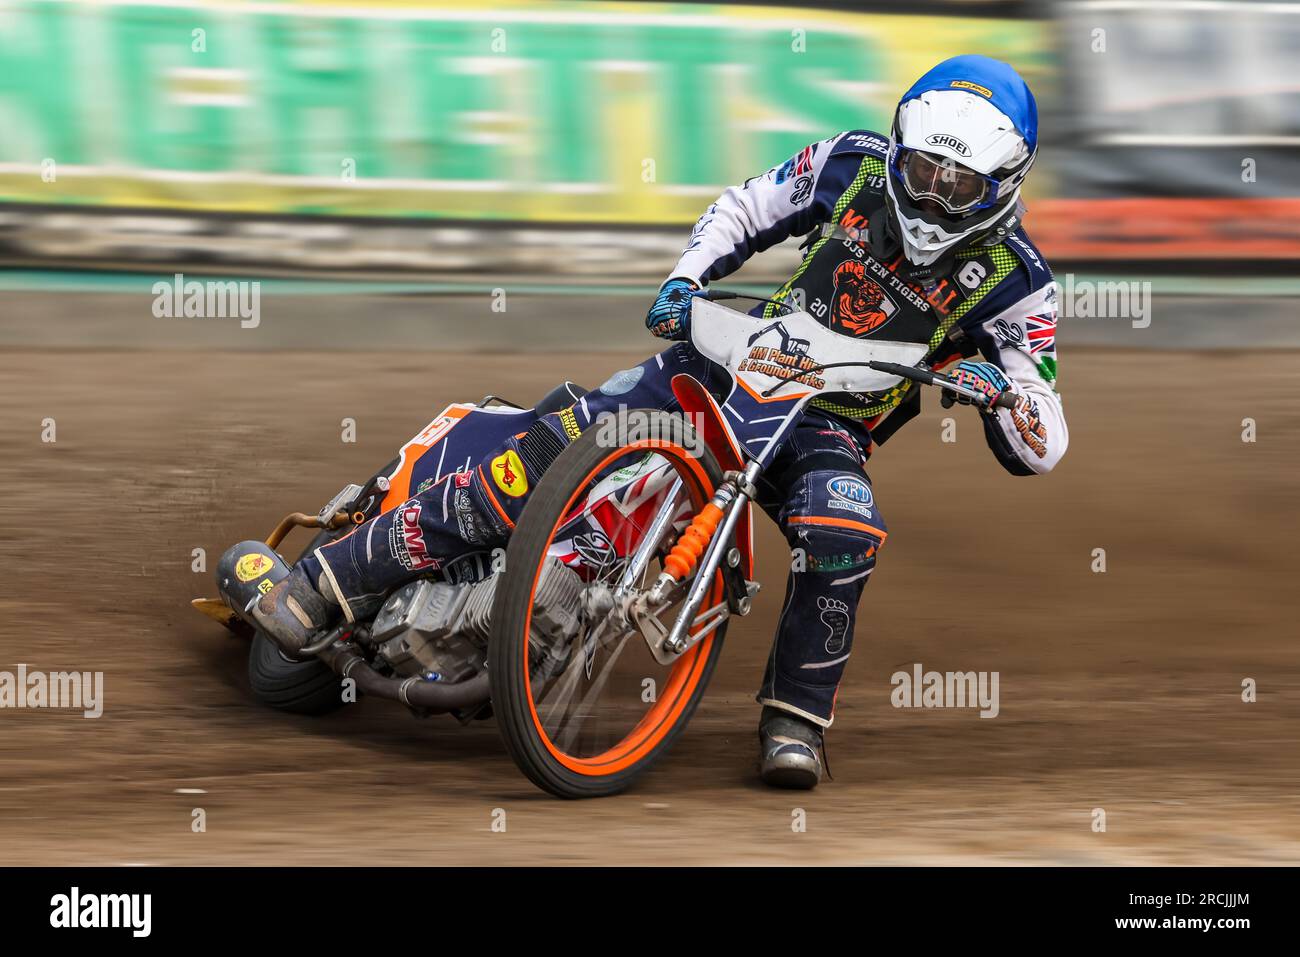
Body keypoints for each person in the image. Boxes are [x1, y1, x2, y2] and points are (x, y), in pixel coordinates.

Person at [254, 54, 1067, 789]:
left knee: (843, 530)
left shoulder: (1020, 281)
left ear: (1002, 185)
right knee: (560, 438)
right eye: (920, 167)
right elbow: (747, 208)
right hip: (730, 359)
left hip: (829, 425)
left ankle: (795, 721)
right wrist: (687, 278)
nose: (930, 193)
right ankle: (334, 577)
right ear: (897, 148)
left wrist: (1005, 391)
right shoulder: (852, 162)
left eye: (956, 184)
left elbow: (1045, 431)